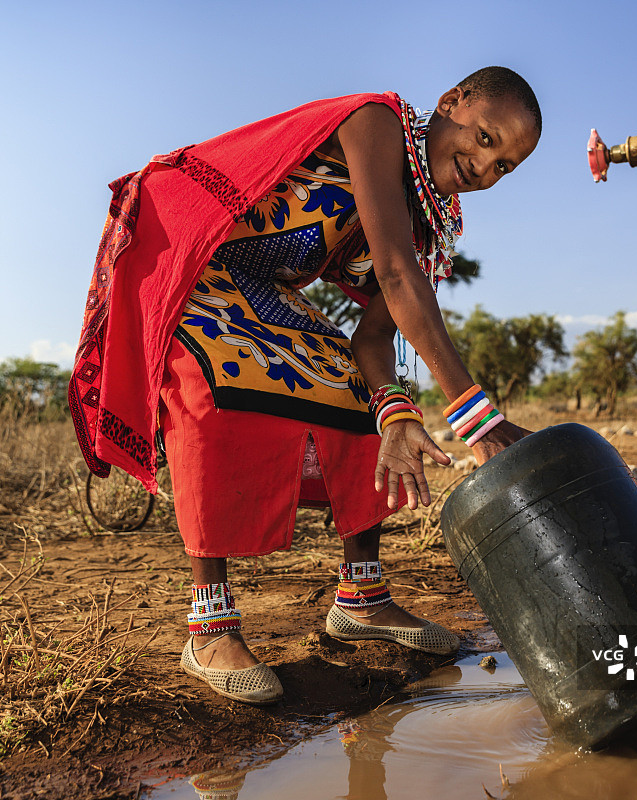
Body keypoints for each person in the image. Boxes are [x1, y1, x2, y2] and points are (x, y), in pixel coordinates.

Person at [70, 66, 542, 705]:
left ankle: (362, 598)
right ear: (450, 103)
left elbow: (372, 341)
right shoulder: (377, 121)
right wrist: (475, 416)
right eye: (486, 138)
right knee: (218, 385)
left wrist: (397, 412)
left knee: (354, 394)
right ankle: (209, 628)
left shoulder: (434, 216)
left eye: (505, 166)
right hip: (186, 250)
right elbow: (399, 278)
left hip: (260, 288)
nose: (487, 167)